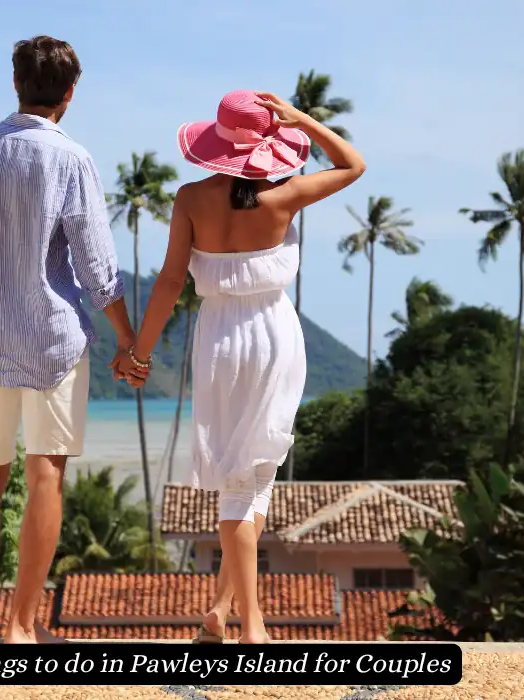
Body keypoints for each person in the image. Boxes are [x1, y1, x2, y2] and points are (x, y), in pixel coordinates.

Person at [126, 89, 365, 644]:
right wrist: (302, 118)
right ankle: (251, 626)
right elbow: (354, 164)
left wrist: (141, 352)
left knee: (249, 475)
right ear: (269, 141)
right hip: (275, 335)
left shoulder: (189, 198)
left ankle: (223, 610)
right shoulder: (286, 195)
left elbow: (167, 282)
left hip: (219, 338)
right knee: (249, 476)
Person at [0, 35, 144, 644]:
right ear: (70, 94)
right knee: (44, 475)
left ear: (16, 84)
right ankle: (23, 626)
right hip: (52, 341)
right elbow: (96, 268)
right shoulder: (71, 159)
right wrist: (128, 343)